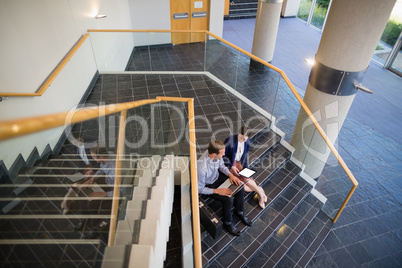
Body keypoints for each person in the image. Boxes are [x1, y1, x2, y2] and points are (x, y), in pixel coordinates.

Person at [198, 140, 252, 236]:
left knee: (240, 186)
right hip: (209, 185)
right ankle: (228, 223)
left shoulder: (215, 155)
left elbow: (222, 166)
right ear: (215, 154)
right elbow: (200, 189)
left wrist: (231, 175)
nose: (224, 155)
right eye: (222, 153)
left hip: (217, 177)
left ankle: (239, 212)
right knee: (228, 199)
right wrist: (217, 191)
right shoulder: (201, 168)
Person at [61, 145, 116, 238]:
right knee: (81, 189)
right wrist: (92, 179)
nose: (93, 158)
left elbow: (122, 190)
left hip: (112, 190)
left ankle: (94, 229)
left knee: (92, 204)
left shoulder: (114, 170)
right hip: (106, 181)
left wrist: (104, 194)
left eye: (94, 157)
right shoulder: (105, 160)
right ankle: (84, 218)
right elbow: (101, 169)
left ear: (101, 157)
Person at [223, 125, 268, 209]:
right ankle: (260, 191)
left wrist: (246, 167)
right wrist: (231, 166)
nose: (242, 140)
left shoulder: (248, 142)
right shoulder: (230, 140)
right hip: (231, 164)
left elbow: (245, 156)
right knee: (243, 186)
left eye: (244, 139)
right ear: (239, 134)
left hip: (239, 163)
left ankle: (260, 195)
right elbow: (222, 155)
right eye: (240, 138)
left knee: (246, 178)